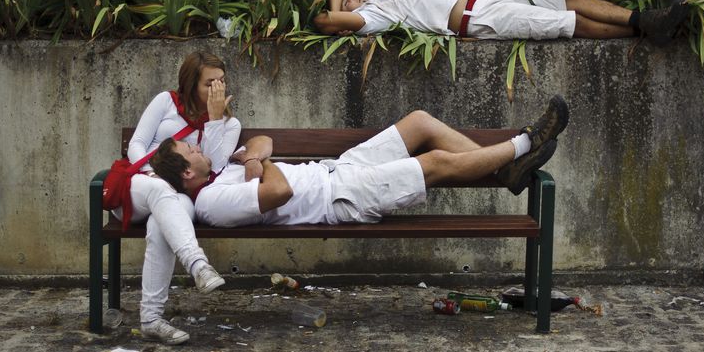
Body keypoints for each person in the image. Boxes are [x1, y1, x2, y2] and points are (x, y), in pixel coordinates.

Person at [149, 96, 569, 230]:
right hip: (342, 198)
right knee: (435, 162)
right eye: (192, 152)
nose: (199, 148)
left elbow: (262, 140)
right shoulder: (211, 203)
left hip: (339, 168)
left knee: (419, 123)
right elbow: (279, 192)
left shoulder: (219, 169)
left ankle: (506, 170)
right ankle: (525, 142)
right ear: (188, 173)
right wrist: (263, 168)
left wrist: (257, 155)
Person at [117, 52, 241, 345]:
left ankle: (151, 320)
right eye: (209, 83)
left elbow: (213, 167)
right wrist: (152, 174)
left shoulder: (229, 125)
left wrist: (213, 121)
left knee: (160, 226)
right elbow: (137, 143)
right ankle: (198, 265)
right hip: (141, 184)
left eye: (221, 82)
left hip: (182, 195)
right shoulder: (166, 102)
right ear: (191, 85)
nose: (217, 89)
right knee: (161, 192)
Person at [312, 0, 689, 45]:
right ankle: (646, 29)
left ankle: (646, 19)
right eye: (348, 5)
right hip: (479, 19)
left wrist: (350, 0)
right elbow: (325, 20)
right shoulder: (373, 18)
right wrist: (341, 20)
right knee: (565, 24)